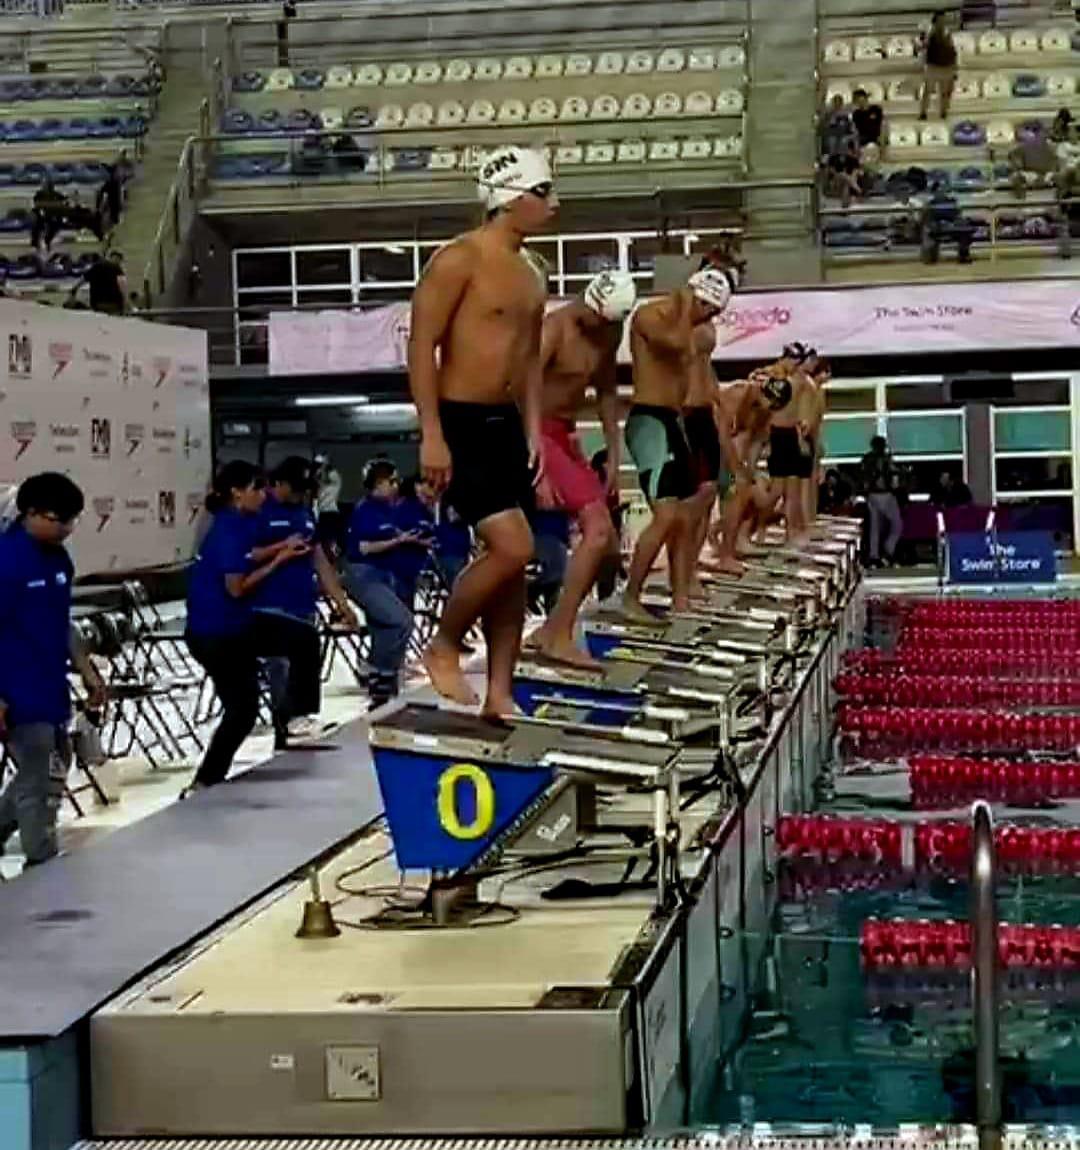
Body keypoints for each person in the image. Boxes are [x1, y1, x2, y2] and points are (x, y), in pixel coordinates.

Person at [409, 144, 556, 716]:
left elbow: (528, 361)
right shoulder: (457, 260)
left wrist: (535, 432)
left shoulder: (533, 273)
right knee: (511, 546)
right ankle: (444, 644)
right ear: (510, 198)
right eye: (544, 194)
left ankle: (499, 693)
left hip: (507, 424)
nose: (554, 205)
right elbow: (422, 345)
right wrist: (431, 432)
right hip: (460, 419)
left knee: (517, 568)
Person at [184, 461, 318, 791]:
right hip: (215, 633)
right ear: (237, 492)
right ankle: (206, 781)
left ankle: (298, 715)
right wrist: (279, 561)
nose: (263, 495)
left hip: (237, 624)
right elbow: (237, 587)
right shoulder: (227, 529)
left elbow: (250, 553)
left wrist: (281, 546)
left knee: (303, 637)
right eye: (257, 489)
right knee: (243, 710)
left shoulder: (241, 521)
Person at [528, 269, 635, 666]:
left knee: (606, 542)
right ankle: (557, 634)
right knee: (597, 527)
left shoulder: (608, 332)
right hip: (536, 429)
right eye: (598, 319)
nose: (601, 329)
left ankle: (552, 627)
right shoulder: (554, 329)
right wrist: (535, 453)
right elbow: (523, 390)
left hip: (565, 433)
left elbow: (607, 389)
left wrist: (613, 448)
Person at [0, 473, 106, 867]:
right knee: (41, 778)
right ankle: (41, 862)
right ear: (30, 513)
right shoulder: (6, 562)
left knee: (54, 762)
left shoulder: (58, 558)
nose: (67, 528)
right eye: (59, 519)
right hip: (15, 690)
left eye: (72, 520)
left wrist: (86, 669)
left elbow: (62, 622)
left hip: (48, 684)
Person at [622, 264, 738, 620]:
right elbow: (672, 344)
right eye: (710, 309)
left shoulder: (691, 325)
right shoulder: (651, 316)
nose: (710, 319)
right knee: (668, 516)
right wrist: (687, 307)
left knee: (687, 514)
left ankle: (681, 594)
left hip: (673, 421)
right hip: (649, 421)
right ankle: (631, 597)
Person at [253, 456, 356, 748]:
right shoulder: (258, 511)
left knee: (302, 665)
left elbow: (320, 559)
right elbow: (245, 555)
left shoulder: (304, 513)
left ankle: (296, 728)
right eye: (295, 489)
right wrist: (280, 550)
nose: (301, 495)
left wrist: (342, 604)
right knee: (280, 672)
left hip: (302, 604)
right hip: (269, 605)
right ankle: (284, 733)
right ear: (277, 483)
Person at [343, 460, 427, 708]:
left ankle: (382, 682)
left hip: (384, 575)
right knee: (401, 619)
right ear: (378, 483)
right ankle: (380, 671)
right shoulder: (364, 510)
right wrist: (398, 541)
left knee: (384, 627)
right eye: (391, 481)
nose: (396, 486)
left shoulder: (388, 509)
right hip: (363, 574)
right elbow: (362, 548)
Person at [707, 368, 793, 569]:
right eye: (769, 402)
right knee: (731, 494)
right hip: (708, 444)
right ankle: (723, 550)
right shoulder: (737, 394)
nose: (769, 407)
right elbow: (722, 435)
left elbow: (754, 443)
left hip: (729, 451)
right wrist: (737, 469)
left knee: (756, 493)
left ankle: (732, 540)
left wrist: (748, 472)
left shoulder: (764, 411)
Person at [861, 435, 903, 566]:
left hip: (872, 495)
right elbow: (894, 477)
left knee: (875, 527)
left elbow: (862, 478)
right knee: (897, 524)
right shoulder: (886, 459)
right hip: (885, 494)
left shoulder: (866, 459)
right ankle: (887, 550)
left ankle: (874, 555)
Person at [920, 10, 958, 121]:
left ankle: (943, 112)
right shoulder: (929, 31)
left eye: (944, 20)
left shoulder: (947, 33)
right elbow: (924, 46)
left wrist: (954, 67)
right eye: (941, 20)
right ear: (936, 21)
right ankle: (923, 112)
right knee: (928, 91)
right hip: (933, 65)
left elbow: (952, 50)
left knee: (945, 92)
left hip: (947, 65)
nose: (943, 22)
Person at [313, 453, 343, 554]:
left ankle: (335, 564)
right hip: (322, 514)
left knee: (332, 541)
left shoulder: (335, 479)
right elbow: (317, 478)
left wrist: (325, 464)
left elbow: (327, 475)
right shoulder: (320, 481)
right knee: (323, 542)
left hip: (331, 513)